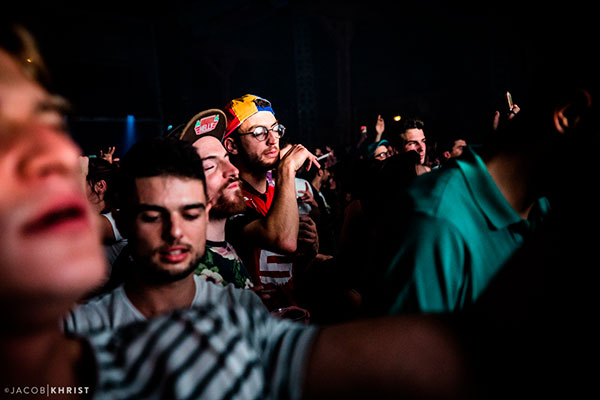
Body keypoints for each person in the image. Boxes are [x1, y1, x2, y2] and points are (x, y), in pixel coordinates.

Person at [1, 27, 471, 398]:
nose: (175, 231)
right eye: (156, 215)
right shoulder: (87, 323)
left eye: (190, 213)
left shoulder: (232, 311)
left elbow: (396, 356)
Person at [375, 83, 593, 315]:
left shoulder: (542, 210)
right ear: (569, 115)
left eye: (423, 141)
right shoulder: (437, 220)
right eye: (412, 143)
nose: (420, 148)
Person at [222, 94, 320, 312]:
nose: (272, 140)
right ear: (232, 145)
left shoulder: (279, 193)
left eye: (275, 129)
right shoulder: (229, 199)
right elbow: (282, 240)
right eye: (258, 132)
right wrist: (287, 169)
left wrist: (309, 253)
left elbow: (291, 273)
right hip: (255, 323)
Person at [175, 108, 254, 290]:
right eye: (210, 166)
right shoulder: (178, 264)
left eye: (226, 159)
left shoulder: (225, 247)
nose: (233, 171)